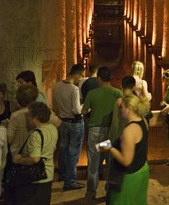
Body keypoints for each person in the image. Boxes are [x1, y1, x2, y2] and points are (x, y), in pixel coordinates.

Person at [82, 66, 123, 200]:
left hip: (95, 132)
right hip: (110, 132)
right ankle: (109, 190)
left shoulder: (92, 94)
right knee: (110, 162)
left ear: (99, 78)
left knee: (94, 163)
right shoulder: (117, 93)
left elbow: (84, 111)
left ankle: (91, 192)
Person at [101, 95, 149, 204]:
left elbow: (126, 161)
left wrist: (110, 148)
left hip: (130, 177)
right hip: (142, 169)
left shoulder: (129, 131)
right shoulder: (143, 121)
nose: (118, 111)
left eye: (121, 107)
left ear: (129, 109)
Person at [11, 101, 59, 205]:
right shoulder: (52, 128)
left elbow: (35, 159)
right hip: (48, 174)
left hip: (35, 178)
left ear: (35, 117)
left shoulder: (36, 134)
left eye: (29, 115)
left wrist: (19, 160)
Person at [55, 63, 85, 191]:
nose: (81, 78)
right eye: (81, 75)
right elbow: (77, 110)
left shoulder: (58, 85)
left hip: (63, 122)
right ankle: (70, 181)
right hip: (75, 123)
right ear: (77, 74)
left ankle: (62, 174)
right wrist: (86, 108)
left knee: (63, 149)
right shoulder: (74, 89)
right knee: (73, 152)